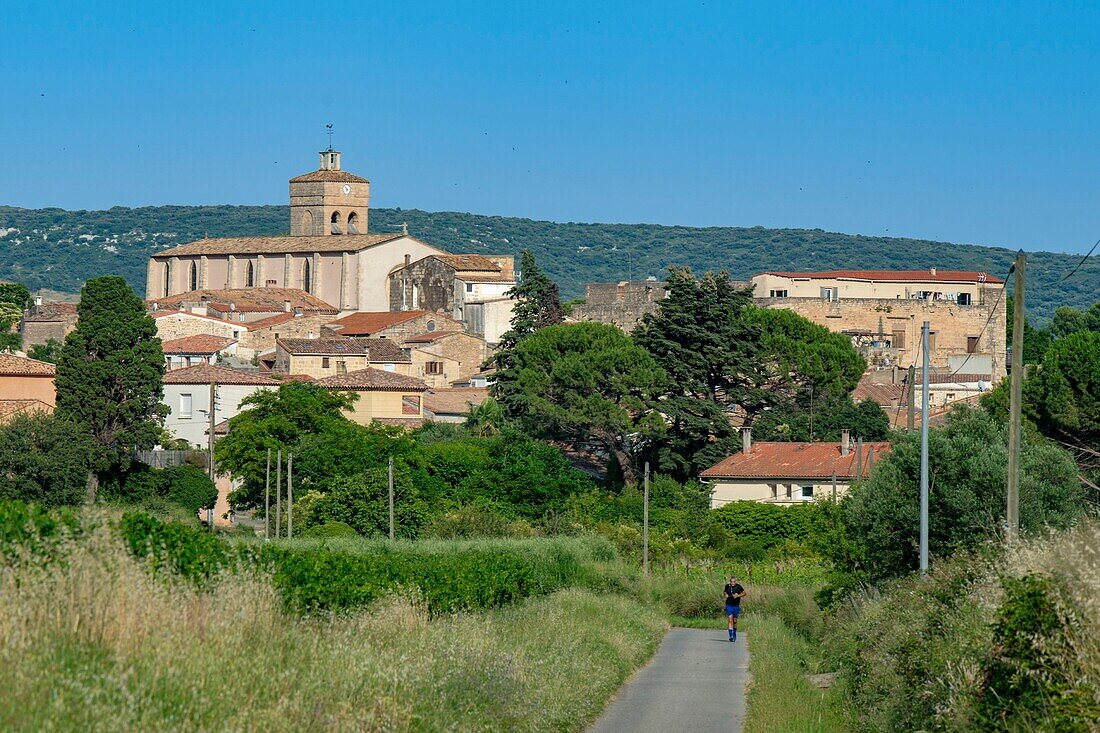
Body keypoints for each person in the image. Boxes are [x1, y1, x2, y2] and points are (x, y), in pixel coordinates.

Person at [723, 576, 746, 642]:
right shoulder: (727, 586)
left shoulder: (738, 586)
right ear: (729, 581)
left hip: (736, 605)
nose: (733, 583)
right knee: (730, 619)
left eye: (734, 581)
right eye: (731, 581)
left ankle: (734, 634)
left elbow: (744, 593)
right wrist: (725, 595)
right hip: (729, 605)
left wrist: (738, 596)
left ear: (736, 581)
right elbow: (725, 592)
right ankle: (731, 635)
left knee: (735, 620)